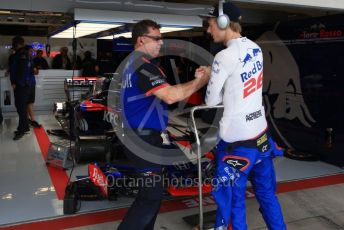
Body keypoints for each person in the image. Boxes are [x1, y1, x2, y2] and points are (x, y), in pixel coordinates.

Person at [200, 2, 286, 230]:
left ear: (223, 22)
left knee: (232, 203)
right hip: (261, 138)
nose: (208, 31)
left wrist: (209, 75)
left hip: (236, 145)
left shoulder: (223, 56)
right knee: (268, 196)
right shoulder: (255, 48)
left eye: (210, 25)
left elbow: (211, 102)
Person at [118, 19, 209, 230]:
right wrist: (203, 80)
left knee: (152, 195)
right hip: (142, 138)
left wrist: (193, 80)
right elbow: (170, 96)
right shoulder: (143, 67)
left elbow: (166, 92)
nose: (161, 43)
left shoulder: (133, 63)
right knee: (150, 196)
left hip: (138, 135)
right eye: (157, 39)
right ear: (141, 40)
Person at [9, 37, 34, 140]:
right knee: (21, 106)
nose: (13, 45)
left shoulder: (21, 54)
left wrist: (15, 82)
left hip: (22, 85)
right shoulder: (22, 54)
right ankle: (25, 127)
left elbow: (22, 71)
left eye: (14, 43)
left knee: (21, 107)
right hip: (24, 85)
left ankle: (22, 129)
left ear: (18, 44)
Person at [25, 45, 41, 128]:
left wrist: (36, 70)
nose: (32, 53)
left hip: (32, 83)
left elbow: (35, 72)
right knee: (27, 102)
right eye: (31, 51)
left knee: (30, 102)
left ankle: (29, 120)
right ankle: (32, 120)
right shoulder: (23, 60)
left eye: (32, 51)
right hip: (26, 84)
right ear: (26, 51)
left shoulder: (31, 60)